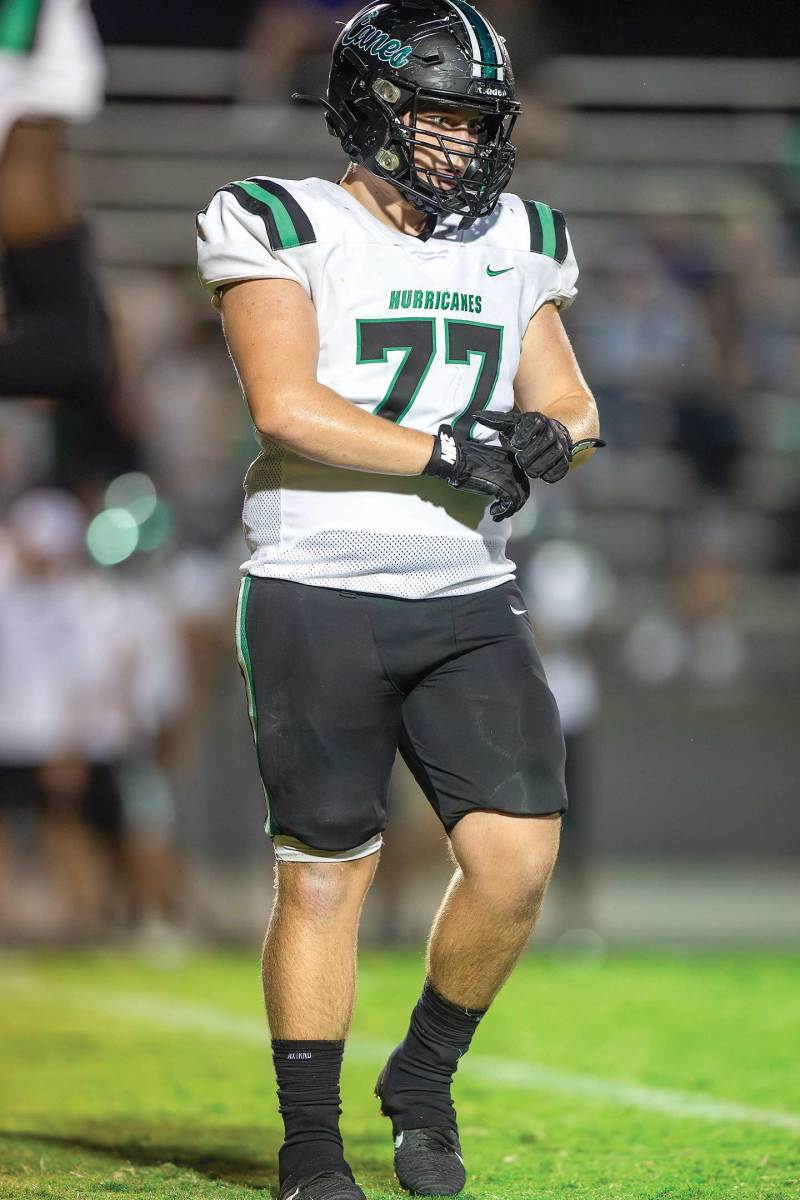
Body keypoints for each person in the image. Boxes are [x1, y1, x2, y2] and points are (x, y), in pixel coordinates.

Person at [197, 3, 602, 1198]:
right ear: (370, 107)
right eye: (440, 116)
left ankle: (421, 1076)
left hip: (466, 591)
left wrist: (547, 438)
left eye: (478, 121)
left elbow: (571, 405)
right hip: (317, 584)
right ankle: (309, 1146)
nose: (463, 142)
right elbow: (284, 406)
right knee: (325, 875)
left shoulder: (518, 236)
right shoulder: (278, 219)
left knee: (515, 864)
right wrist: (444, 453)